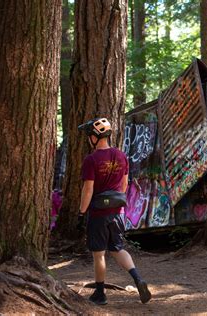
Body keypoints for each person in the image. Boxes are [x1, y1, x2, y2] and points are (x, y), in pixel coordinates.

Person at [77, 117, 152, 305]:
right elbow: (124, 185)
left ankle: (100, 294)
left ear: (95, 137)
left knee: (99, 254)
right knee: (117, 248)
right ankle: (138, 279)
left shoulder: (91, 159)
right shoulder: (121, 156)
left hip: (98, 213)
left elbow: (88, 189)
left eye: (89, 136)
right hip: (118, 211)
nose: (88, 139)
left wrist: (81, 212)